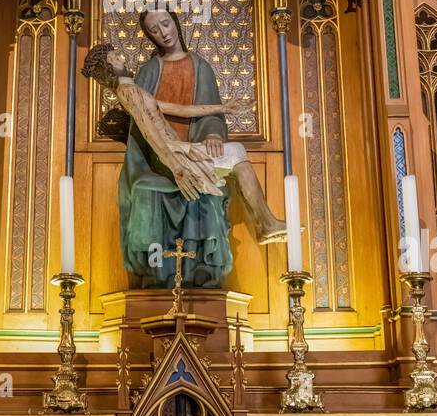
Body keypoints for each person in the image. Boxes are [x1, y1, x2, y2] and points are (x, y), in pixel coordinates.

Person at [83, 15, 285, 289]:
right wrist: (177, 164)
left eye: (165, 24)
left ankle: (265, 224)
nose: (162, 33)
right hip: (168, 155)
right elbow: (151, 135)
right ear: (111, 65)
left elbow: (177, 110)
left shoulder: (156, 81)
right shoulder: (133, 87)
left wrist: (220, 111)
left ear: (175, 23)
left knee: (235, 154)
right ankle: (266, 223)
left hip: (181, 148)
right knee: (237, 154)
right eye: (154, 30)